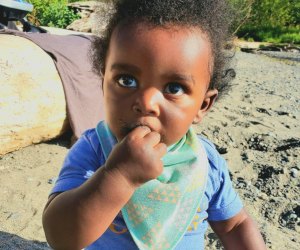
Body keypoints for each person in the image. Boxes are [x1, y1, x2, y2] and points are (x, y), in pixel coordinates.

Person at [42, 0, 266, 249]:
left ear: (203, 105)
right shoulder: (94, 150)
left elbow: (234, 224)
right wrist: (118, 176)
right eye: (126, 80)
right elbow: (60, 238)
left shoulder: (204, 162)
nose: (146, 102)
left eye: (174, 88)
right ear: (103, 81)